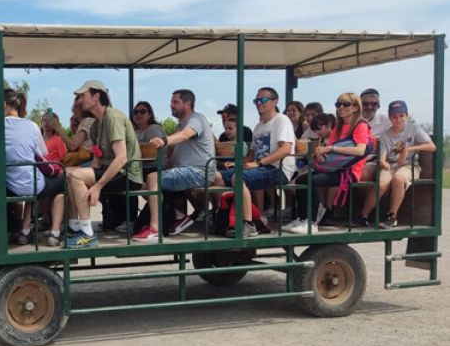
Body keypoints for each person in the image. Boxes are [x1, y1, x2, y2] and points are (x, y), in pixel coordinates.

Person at [0, 90, 66, 246]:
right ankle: (55, 233)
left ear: (3, 104)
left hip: (9, 185)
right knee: (62, 183)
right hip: (32, 183)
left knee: (28, 187)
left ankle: (25, 231)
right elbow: (42, 153)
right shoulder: (32, 126)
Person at [64, 80, 143, 248]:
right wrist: (88, 179)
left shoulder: (113, 117)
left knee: (76, 176)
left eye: (82, 96)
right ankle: (75, 226)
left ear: (97, 96)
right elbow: (97, 159)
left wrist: (97, 186)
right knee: (68, 172)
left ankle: (87, 235)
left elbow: (121, 158)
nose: (79, 101)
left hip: (127, 174)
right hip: (112, 171)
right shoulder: (95, 125)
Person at [133, 89, 215, 241]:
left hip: (198, 172)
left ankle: (155, 228)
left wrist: (163, 141)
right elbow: (175, 154)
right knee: (146, 183)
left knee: (153, 178)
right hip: (187, 171)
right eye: (172, 102)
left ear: (187, 104)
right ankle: (179, 217)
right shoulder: (180, 125)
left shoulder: (196, 119)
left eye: (175, 102)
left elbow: (184, 136)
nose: (171, 105)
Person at [285, 93, 370, 233]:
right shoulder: (340, 126)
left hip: (348, 171)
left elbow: (360, 150)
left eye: (346, 104)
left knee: (311, 180)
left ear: (355, 107)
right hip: (335, 168)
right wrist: (320, 154)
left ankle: (311, 223)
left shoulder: (361, 125)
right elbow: (328, 150)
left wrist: (331, 148)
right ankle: (301, 219)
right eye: (338, 104)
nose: (341, 107)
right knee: (301, 179)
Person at [217, 87, 296, 237]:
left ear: (275, 102)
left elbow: (285, 149)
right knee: (216, 176)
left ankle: (248, 224)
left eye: (263, 100)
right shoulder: (259, 126)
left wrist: (259, 163)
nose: (259, 103)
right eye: (257, 100)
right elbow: (252, 154)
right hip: (262, 168)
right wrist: (239, 164)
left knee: (238, 177)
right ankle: (218, 217)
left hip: (278, 169)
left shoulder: (281, 120)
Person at [353, 100, 435, 228]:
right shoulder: (386, 135)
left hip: (409, 165)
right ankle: (363, 215)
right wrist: (383, 163)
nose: (398, 119)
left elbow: (431, 147)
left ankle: (391, 216)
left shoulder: (414, 129)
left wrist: (408, 149)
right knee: (382, 183)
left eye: (401, 116)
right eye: (394, 116)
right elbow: (382, 157)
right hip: (390, 165)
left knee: (399, 178)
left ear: (406, 115)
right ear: (390, 117)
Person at [51, 99, 94, 166]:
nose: (73, 110)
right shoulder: (85, 122)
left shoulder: (87, 121)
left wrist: (57, 128)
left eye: (76, 107)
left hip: (88, 163)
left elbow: (73, 146)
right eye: (73, 107)